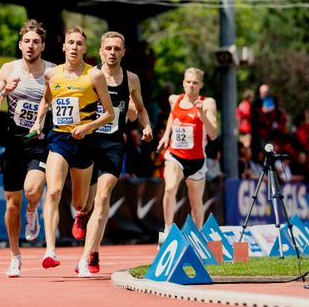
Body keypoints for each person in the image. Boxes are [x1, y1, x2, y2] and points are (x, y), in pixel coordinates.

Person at [29, 25, 114, 271]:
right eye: (71, 43)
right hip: (59, 139)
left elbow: (108, 113)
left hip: (85, 142)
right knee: (53, 192)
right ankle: (50, 250)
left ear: (85, 49)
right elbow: (47, 99)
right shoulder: (52, 74)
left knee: (80, 202)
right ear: (64, 47)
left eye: (79, 43)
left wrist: (88, 127)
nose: (75, 47)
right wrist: (38, 121)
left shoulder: (94, 76)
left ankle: (81, 214)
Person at [74, 31, 153, 277]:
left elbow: (140, 108)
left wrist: (147, 125)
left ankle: (88, 255)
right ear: (100, 51)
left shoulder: (131, 79)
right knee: (86, 201)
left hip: (113, 145)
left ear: (123, 52)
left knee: (104, 196)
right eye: (108, 48)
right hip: (88, 143)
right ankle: (81, 213)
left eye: (117, 48)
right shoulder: (89, 75)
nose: (112, 52)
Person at [0, 19, 55, 277]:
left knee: (32, 190)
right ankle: (15, 255)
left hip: (39, 142)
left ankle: (33, 210)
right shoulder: (9, 69)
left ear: (42, 46)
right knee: (11, 205)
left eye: (36, 42)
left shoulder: (53, 72)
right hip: (14, 143)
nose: (31, 46)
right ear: (20, 44)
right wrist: (5, 92)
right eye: (27, 41)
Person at [156, 67, 218, 240]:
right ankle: (168, 231)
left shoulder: (207, 103)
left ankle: (197, 238)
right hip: (175, 155)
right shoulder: (174, 99)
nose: (191, 85)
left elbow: (213, 134)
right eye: (188, 82)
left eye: (195, 83)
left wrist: (201, 116)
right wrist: (167, 135)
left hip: (197, 160)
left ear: (201, 85)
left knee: (196, 203)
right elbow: (173, 115)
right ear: (183, 83)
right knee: (169, 188)